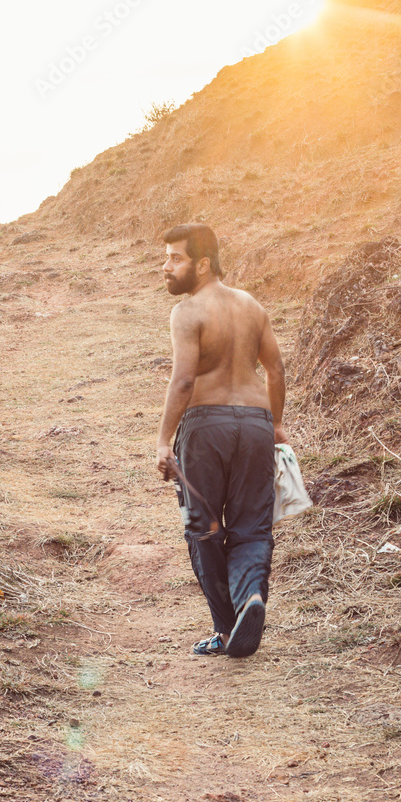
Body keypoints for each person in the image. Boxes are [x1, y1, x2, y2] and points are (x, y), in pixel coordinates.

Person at [156, 223, 288, 658]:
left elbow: (183, 381)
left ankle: (227, 629)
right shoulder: (251, 306)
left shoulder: (188, 312)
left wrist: (163, 440)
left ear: (203, 263)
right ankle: (251, 595)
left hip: (205, 426)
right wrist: (277, 425)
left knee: (204, 529)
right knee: (253, 526)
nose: (166, 267)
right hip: (255, 424)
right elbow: (276, 369)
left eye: (177, 258)